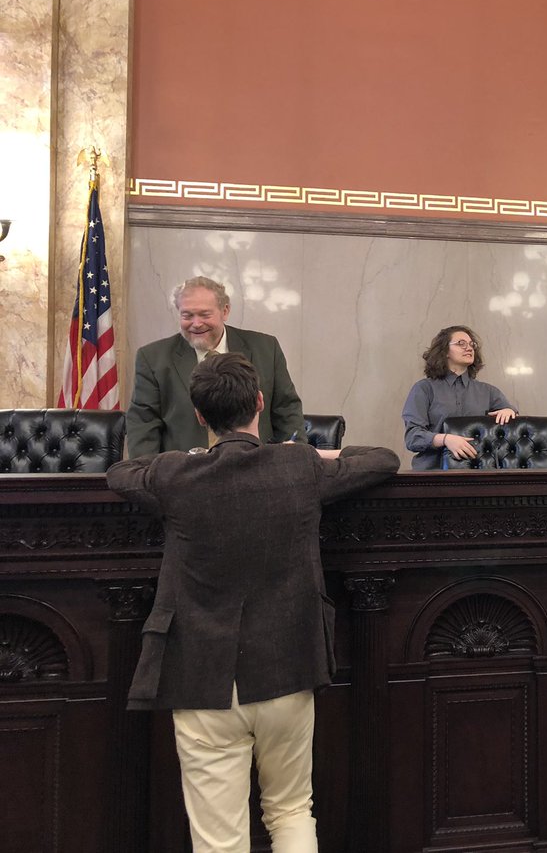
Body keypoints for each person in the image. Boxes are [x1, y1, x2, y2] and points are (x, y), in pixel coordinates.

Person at [107, 352, 400, 853]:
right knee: (290, 810)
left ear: (199, 415)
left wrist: (191, 458)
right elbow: (383, 459)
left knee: (218, 838)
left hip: (202, 675)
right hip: (287, 667)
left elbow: (119, 471)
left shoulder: (176, 475)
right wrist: (320, 455)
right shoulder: (297, 465)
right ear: (261, 402)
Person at [126, 276, 305, 456]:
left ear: (225, 311)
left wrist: (294, 461)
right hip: (184, 476)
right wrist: (147, 476)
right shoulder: (153, 358)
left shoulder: (265, 348)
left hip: (255, 470)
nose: (196, 324)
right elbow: (143, 425)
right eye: (187, 315)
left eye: (204, 315)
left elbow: (287, 411)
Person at [402, 325, 517, 469]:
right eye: (461, 344)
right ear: (445, 351)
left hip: (479, 473)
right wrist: (446, 439)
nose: (469, 348)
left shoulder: (489, 391)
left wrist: (510, 411)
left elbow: (511, 422)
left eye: (471, 344)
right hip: (433, 475)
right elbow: (413, 437)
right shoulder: (424, 389)